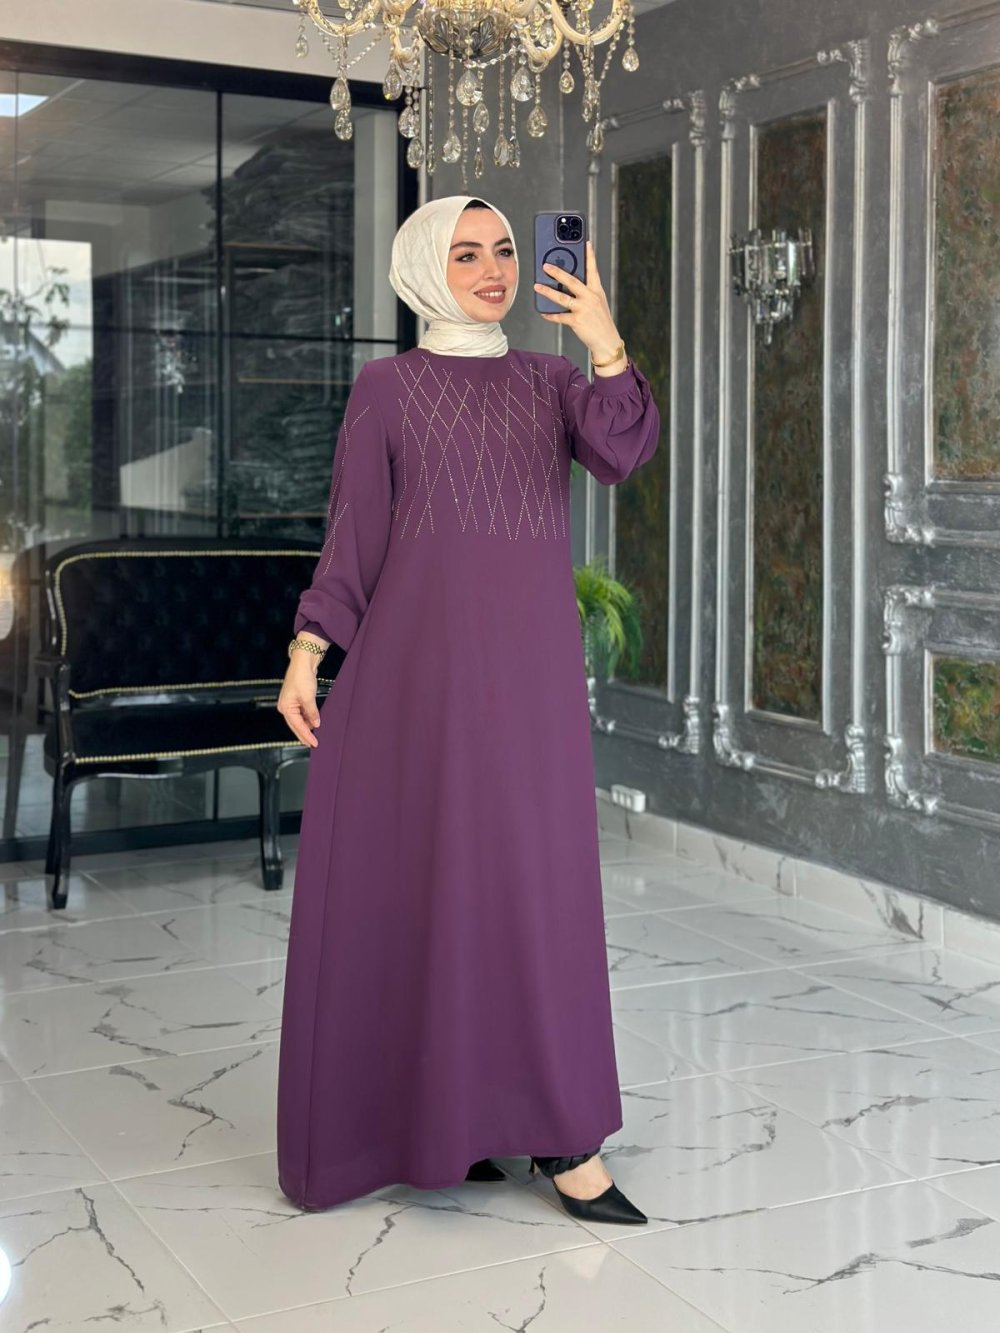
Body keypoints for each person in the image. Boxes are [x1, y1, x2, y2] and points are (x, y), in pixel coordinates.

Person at [275, 194, 659, 1225]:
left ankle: (565, 1136)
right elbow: (354, 537)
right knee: (434, 894)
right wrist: (309, 650)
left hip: (529, 689)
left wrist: (604, 341)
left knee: (535, 893)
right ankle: (457, 1122)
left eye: (503, 251)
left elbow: (622, 452)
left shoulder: (552, 380)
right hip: (414, 689)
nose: (493, 270)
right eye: (466, 254)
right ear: (422, 270)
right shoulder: (386, 390)